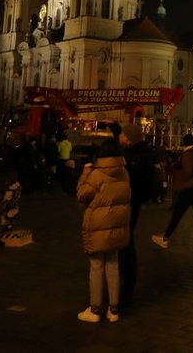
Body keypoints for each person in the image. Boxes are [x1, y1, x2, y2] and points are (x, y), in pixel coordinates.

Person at [75, 137, 131, 324]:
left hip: (98, 228)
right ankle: (113, 310)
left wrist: (84, 174)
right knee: (113, 266)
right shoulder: (124, 172)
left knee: (96, 267)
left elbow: (81, 195)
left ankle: (95, 309)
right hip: (117, 227)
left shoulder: (97, 175)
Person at [151, 133, 193, 250]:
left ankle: (165, 239)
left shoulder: (188, 154)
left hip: (189, 188)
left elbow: (186, 174)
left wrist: (174, 169)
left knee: (177, 213)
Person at [117, 122, 155, 307]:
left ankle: (126, 285)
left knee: (126, 242)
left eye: (123, 134)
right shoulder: (138, 152)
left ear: (129, 137)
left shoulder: (136, 155)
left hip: (131, 200)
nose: (120, 136)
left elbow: (136, 178)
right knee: (125, 240)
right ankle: (123, 282)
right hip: (133, 200)